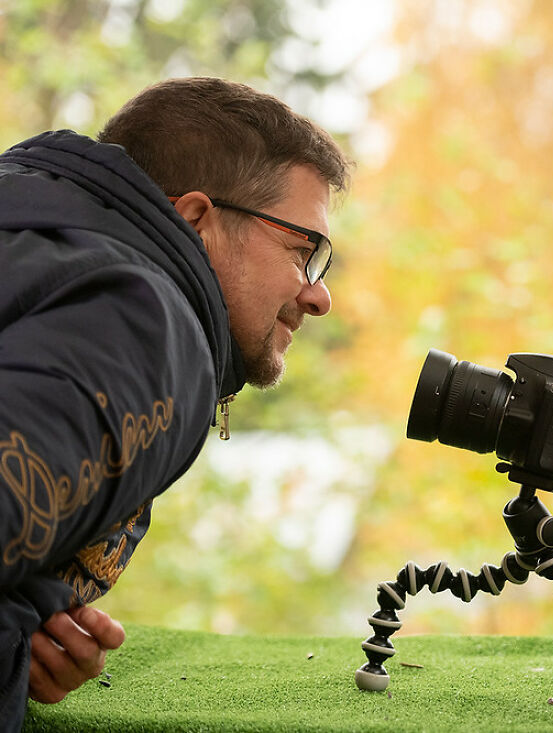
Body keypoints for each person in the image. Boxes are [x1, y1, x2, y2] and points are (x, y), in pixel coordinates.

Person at [0, 77, 352, 729]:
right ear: (196, 220)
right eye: (303, 250)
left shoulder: (43, 233)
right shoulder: (150, 326)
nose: (318, 295)